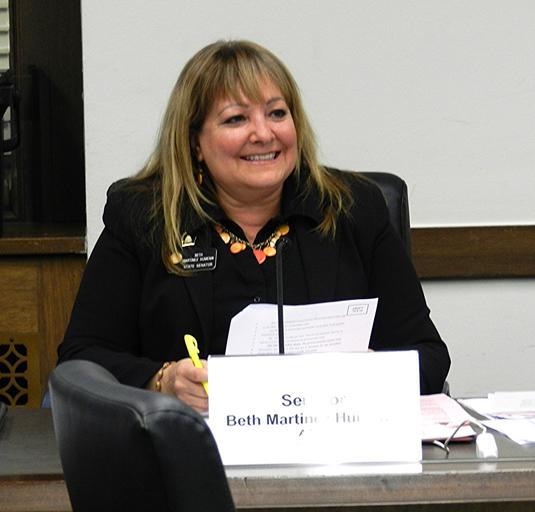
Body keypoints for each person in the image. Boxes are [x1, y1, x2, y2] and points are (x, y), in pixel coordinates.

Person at [58, 40, 450, 413]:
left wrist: (373, 373)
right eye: (236, 118)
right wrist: (162, 380)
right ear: (195, 142)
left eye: (277, 113)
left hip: (333, 443)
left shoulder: (354, 209)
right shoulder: (144, 217)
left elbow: (429, 357)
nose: (263, 134)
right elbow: (81, 359)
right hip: (189, 445)